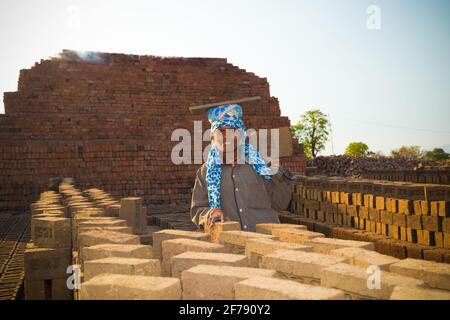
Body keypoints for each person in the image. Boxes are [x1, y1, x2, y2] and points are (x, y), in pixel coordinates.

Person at [190, 103, 294, 232]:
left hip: (267, 239)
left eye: (232, 130)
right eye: (221, 131)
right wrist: (210, 213)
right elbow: (197, 210)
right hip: (231, 243)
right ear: (212, 136)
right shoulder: (205, 172)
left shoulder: (260, 165)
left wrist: (277, 172)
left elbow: (281, 204)